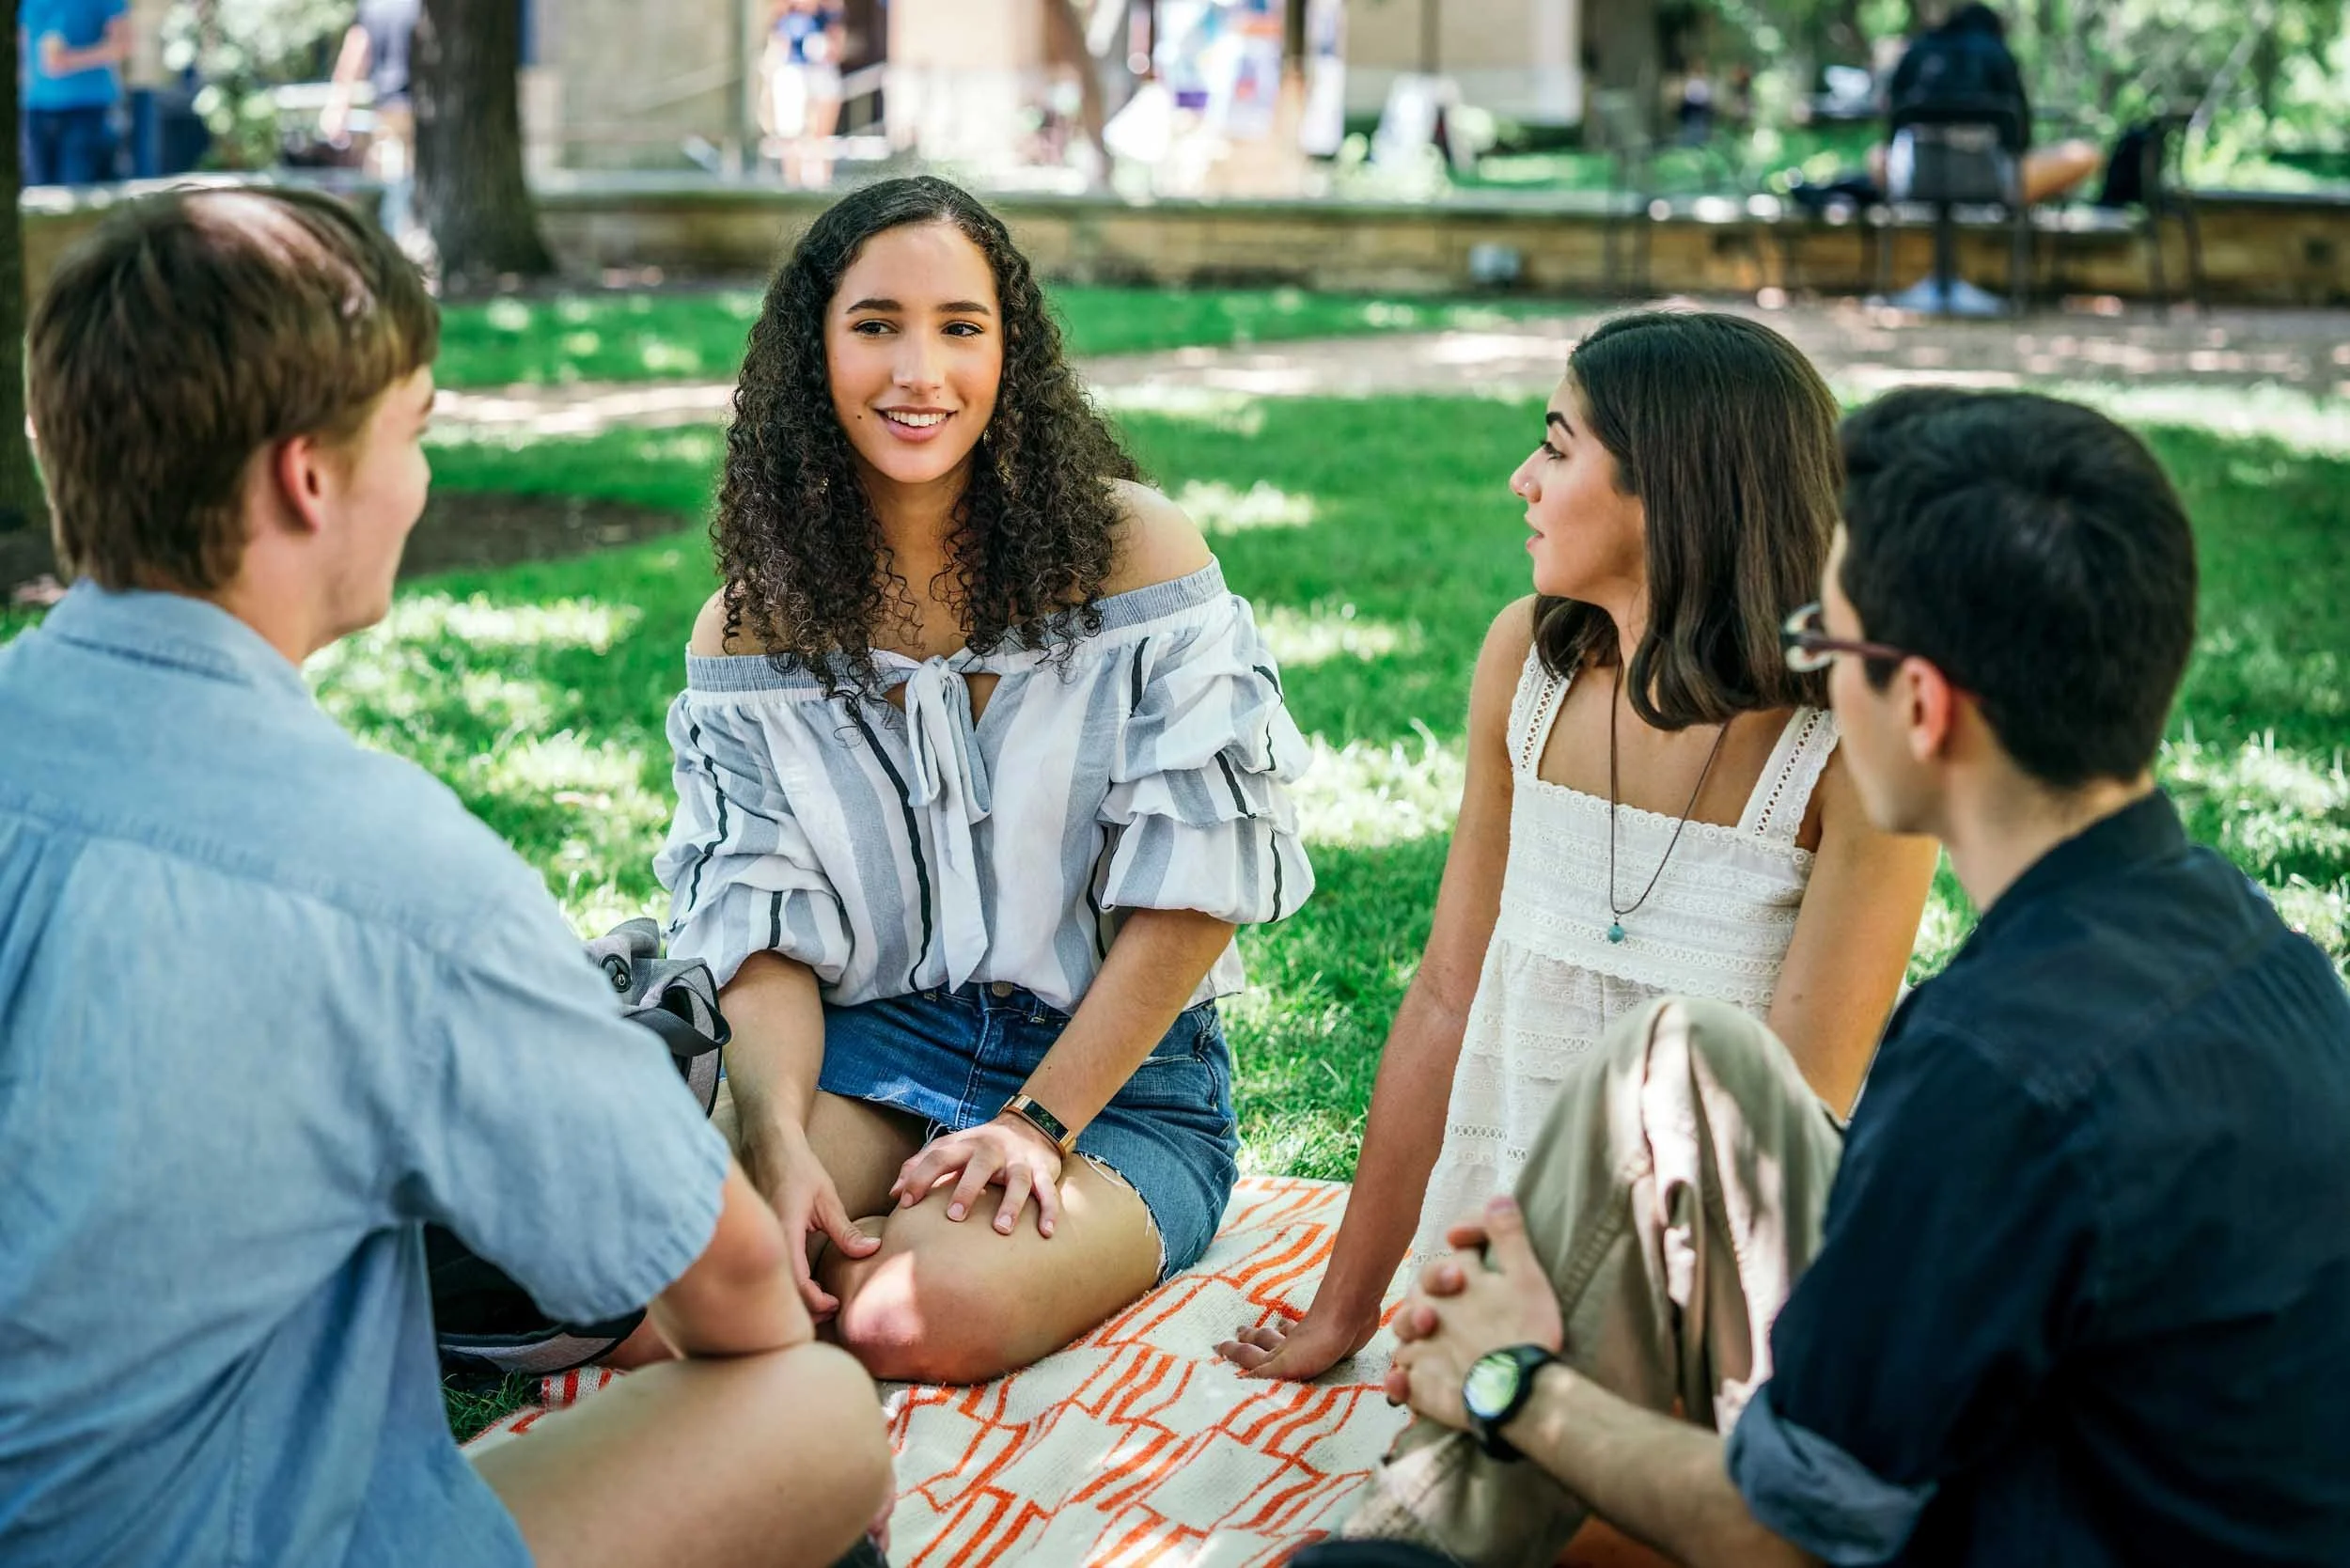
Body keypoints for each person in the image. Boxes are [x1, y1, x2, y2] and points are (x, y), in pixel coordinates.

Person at [0, 187, 891, 1568]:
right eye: (413, 433)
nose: (420, 483)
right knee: (816, 1411)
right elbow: (732, 1289)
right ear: (310, 477)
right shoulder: (392, 878)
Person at [1337, 387, 2350, 1565]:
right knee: (1687, 1060)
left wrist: (1511, 1381)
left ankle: (1419, 1530)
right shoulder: (2251, 941)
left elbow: (1788, 1534)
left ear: (1918, 705)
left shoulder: (1994, 1072)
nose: (1800, 667)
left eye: (1823, 639)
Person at [653, 175, 1313, 1388]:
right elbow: (766, 935)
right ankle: (828, 1251)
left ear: (1011, 355)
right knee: (674, 1284)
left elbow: (1198, 886)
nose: (920, 372)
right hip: (872, 1046)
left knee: (916, 1314)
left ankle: (889, 1273)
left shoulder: (1139, 558)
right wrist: (782, 1135)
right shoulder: (748, 632)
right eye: (875, 326)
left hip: (1118, 1079)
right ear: (815, 353)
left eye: (960, 327)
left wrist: (1035, 1125)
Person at [1216, 311, 1935, 1391]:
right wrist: (1343, 1307)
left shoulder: (1854, 742)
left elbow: (1796, 1115)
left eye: (1556, 445)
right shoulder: (1527, 662)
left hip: (1724, 1291)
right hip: (1500, 1242)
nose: (1521, 477)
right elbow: (1448, 997)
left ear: (1678, 489)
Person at [1868, 2, 2098, 207]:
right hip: (1993, 187)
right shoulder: (1997, 53)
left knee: (1876, 155)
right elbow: (2020, 138)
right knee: (2086, 154)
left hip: (1914, 183)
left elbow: (1891, 126)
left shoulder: (1918, 50)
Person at [321, 0, 421, 235]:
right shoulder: (420, 7)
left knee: (387, 182)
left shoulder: (373, 6)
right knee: (398, 186)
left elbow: (356, 50)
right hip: (411, 107)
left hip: (388, 107)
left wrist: (339, 104)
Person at [19, 0, 130, 186]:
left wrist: (71, 60)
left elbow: (122, 45)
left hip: (89, 108)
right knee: (38, 196)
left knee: (78, 196)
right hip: (36, 108)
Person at [764, 0, 847, 187]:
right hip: (793, 71)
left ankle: (820, 180)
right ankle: (792, 180)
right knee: (790, 132)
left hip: (821, 71)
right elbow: (777, 43)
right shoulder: (785, 15)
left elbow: (838, 45)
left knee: (821, 132)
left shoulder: (828, 13)